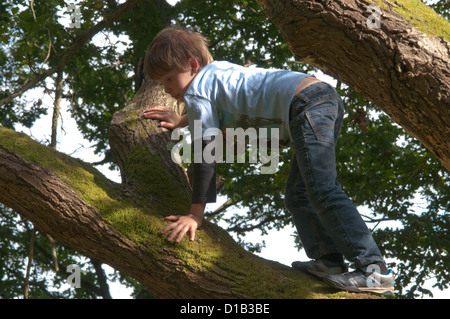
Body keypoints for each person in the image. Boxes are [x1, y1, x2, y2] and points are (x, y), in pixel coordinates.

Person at [142, 26, 394, 295]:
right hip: (317, 99)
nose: (167, 89)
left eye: (169, 79)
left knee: (322, 188)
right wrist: (181, 121)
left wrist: (195, 215)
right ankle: (330, 262)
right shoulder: (215, 75)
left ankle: (374, 272)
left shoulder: (198, 91)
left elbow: (207, 152)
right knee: (298, 195)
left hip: (305, 105)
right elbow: (213, 111)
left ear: (192, 66)